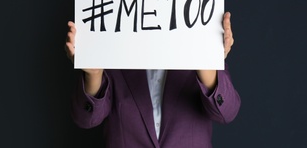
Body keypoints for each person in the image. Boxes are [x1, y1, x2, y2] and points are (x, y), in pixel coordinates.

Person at [65, 12, 241, 148]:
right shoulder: (113, 51)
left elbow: (227, 113)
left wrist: (206, 65)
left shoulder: (203, 47)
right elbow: (85, 119)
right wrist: (93, 74)